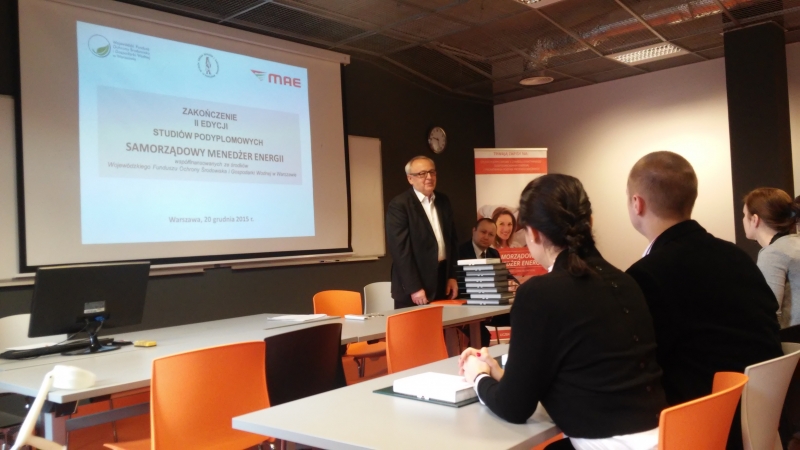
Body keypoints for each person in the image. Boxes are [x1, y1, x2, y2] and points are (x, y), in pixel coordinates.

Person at [460, 174, 667, 450]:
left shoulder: (539, 294)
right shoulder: (626, 281)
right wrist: (501, 375)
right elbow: (585, 370)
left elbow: (514, 408)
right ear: (589, 221)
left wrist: (478, 376)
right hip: (665, 437)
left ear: (533, 233)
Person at [625, 151, 782, 449]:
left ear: (637, 203)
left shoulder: (646, 275)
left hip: (700, 429)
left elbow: (636, 367)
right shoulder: (737, 257)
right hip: (758, 421)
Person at [385, 156, 459, 309]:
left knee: (443, 324)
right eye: (422, 174)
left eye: (432, 172)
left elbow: (452, 241)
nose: (429, 177)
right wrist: (414, 288)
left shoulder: (443, 201)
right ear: (410, 179)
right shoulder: (400, 205)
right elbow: (400, 251)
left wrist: (452, 276)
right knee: (414, 325)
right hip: (415, 287)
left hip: (442, 281)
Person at [743, 187, 800, 328]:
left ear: (755, 219)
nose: (743, 219)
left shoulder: (773, 254)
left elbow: (769, 314)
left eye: (744, 215)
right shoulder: (794, 245)